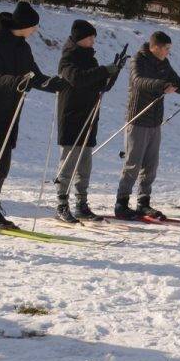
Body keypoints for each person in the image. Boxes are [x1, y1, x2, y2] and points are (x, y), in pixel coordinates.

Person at [0, 1, 67, 229]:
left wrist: (54, 84)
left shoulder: (23, 47)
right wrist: (18, 81)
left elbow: (34, 76)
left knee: (2, 166)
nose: (35, 30)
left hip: (10, 113)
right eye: (33, 26)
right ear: (24, 25)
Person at [114, 31, 180, 220]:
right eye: (166, 49)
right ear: (155, 47)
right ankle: (121, 203)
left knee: (151, 165)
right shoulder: (138, 60)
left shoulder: (164, 63)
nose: (168, 52)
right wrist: (161, 86)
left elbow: (176, 83)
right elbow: (139, 81)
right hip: (138, 119)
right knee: (133, 163)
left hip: (155, 121)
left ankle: (143, 203)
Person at [53, 20, 124, 224]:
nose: (93, 40)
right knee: (68, 162)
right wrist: (104, 70)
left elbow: (103, 86)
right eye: (90, 37)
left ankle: (81, 204)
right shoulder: (67, 59)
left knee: (85, 165)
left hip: (89, 116)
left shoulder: (91, 59)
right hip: (71, 117)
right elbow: (77, 79)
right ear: (80, 38)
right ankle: (61, 204)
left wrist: (114, 71)